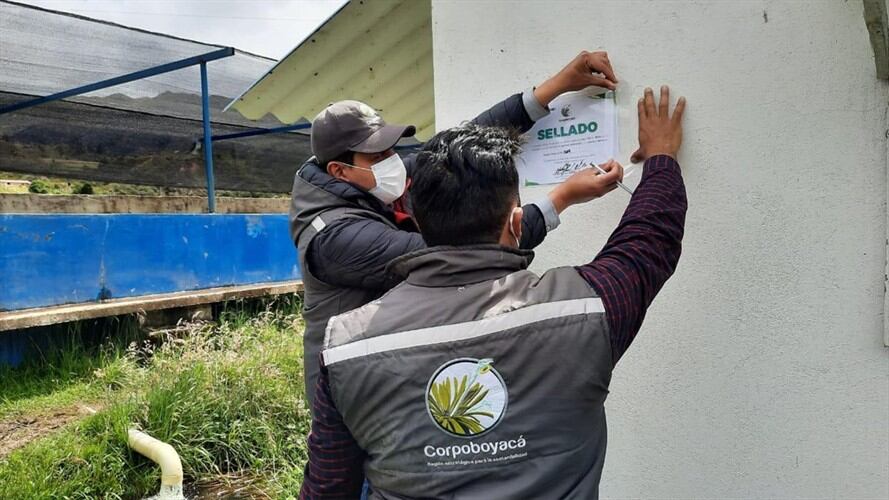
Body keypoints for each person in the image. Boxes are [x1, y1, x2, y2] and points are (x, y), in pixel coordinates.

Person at [299, 86, 687, 498]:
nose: (390, 163)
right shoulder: (589, 309)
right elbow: (649, 242)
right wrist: (661, 158)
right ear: (517, 225)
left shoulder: (344, 349)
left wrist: (550, 88)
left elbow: (327, 486)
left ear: (418, 220)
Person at [290, 51, 622, 407]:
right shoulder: (335, 236)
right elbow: (464, 251)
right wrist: (562, 197)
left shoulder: (371, 181)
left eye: (390, 149)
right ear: (340, 171)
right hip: (353, 392)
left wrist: (555, 86)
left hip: (397, 363)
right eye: (377, 156)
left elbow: (464, 145)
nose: (392, 162)